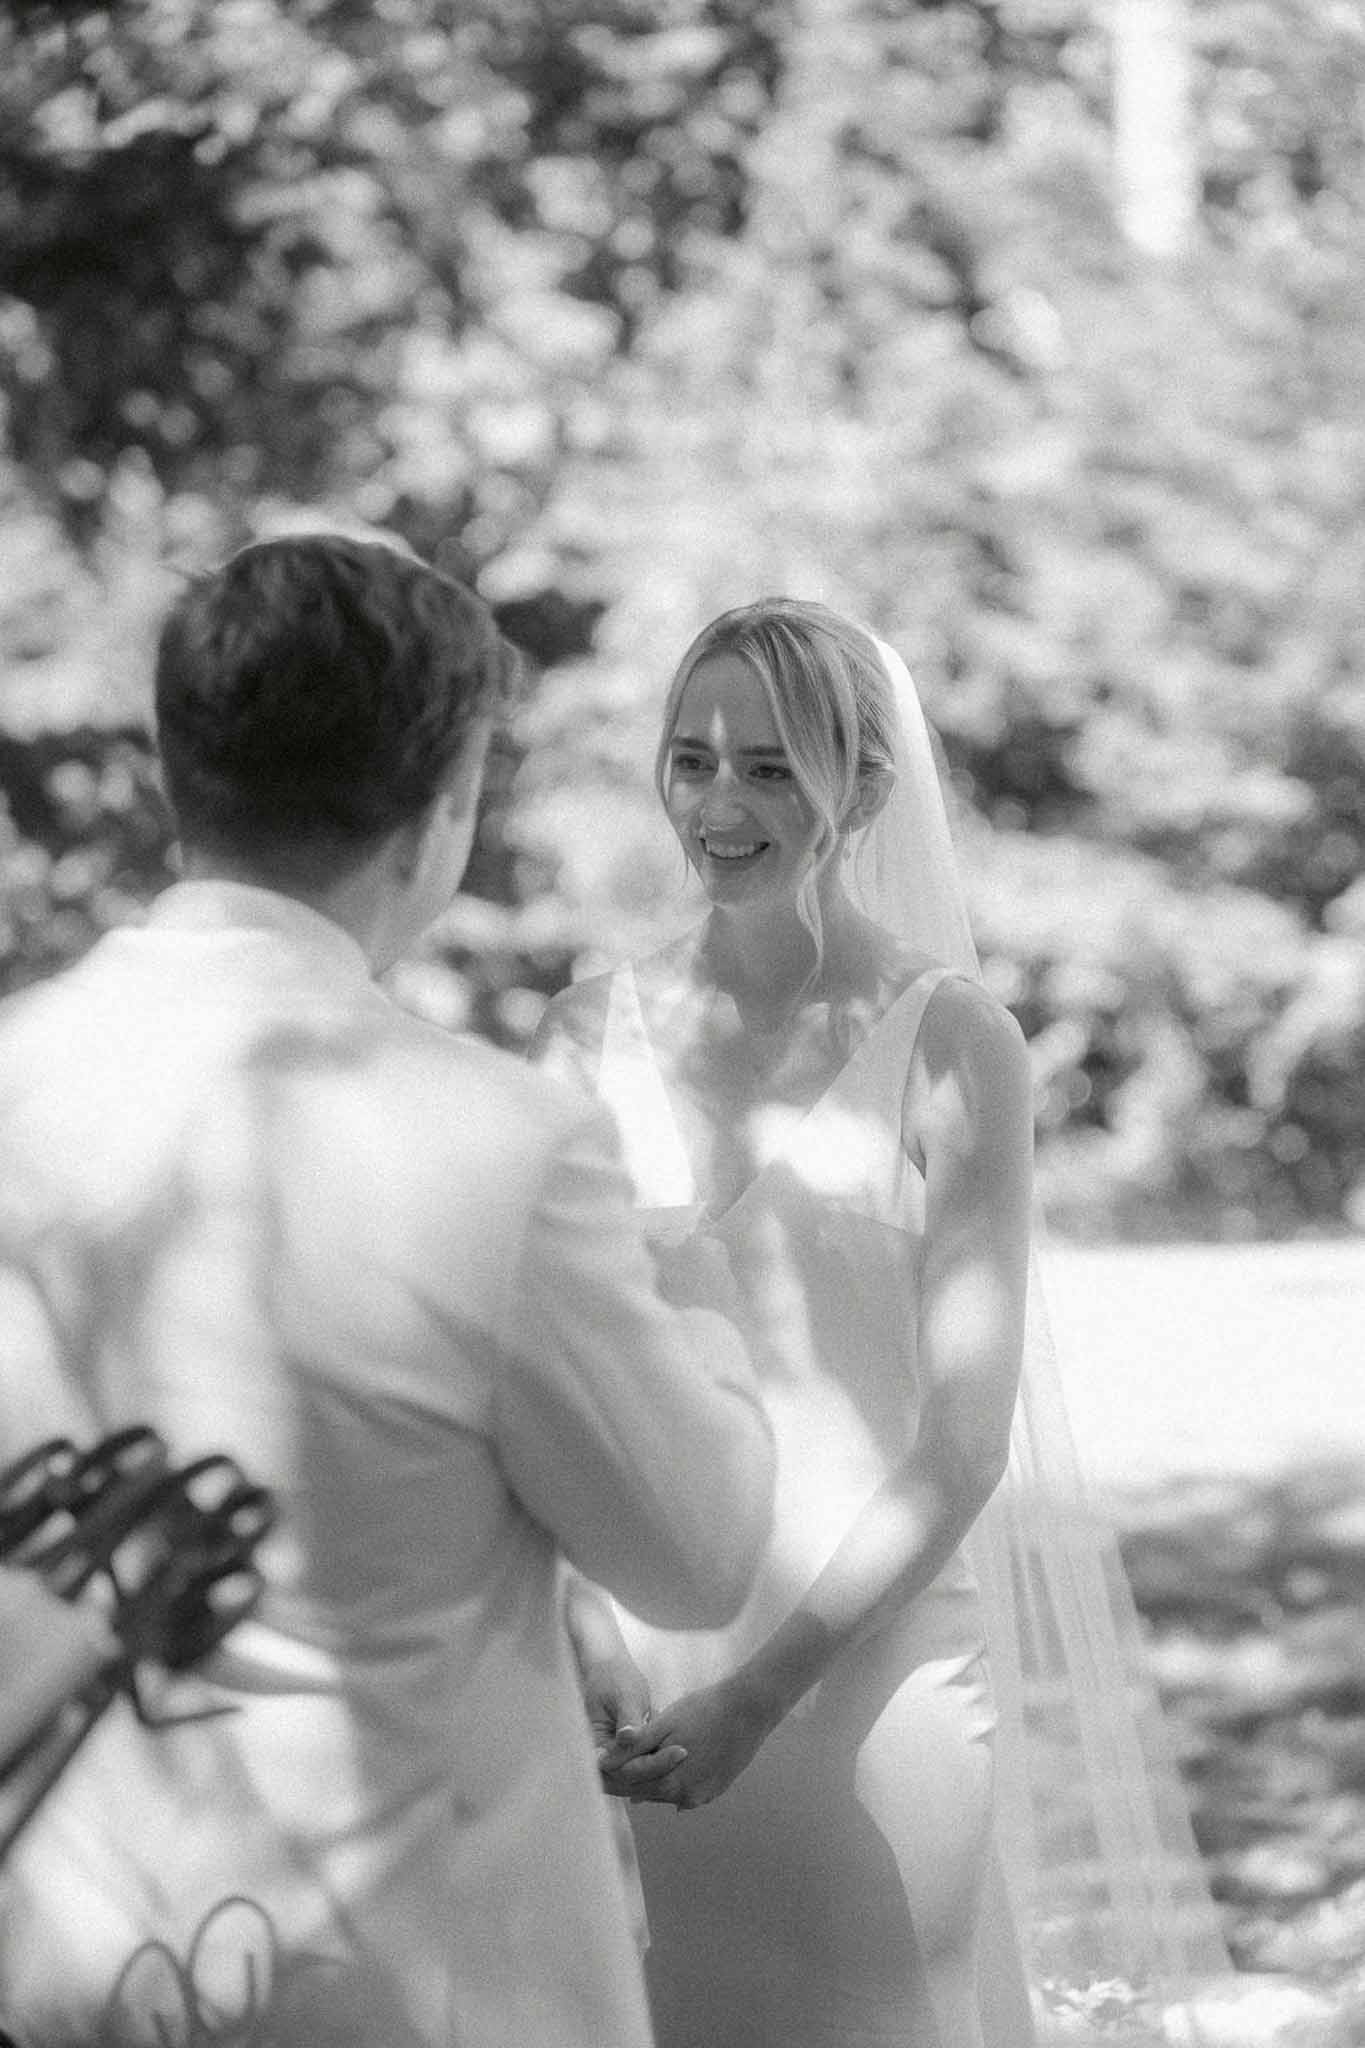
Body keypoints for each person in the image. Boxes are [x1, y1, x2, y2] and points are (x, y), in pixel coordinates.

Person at [0, 536, 775, 2048]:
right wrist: (698, 1290)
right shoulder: (498, 1143)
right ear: (442, 809)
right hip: (402, 1987)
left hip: (58, 1958)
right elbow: (696, 1556)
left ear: (178, 773)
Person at [531, 599, 1231, 2047]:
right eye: (691, 758)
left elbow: (961, 1444)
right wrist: (593, 1647)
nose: (721, 804)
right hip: (628, 1693)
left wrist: (758, 1698)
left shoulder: (952, 1045)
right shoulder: (582, 1038)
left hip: (871, 1681)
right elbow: (545, 1384)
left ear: (861, 787)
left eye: (773, 767)